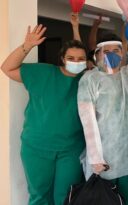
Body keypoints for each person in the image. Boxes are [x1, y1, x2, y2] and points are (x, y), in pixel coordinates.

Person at [77, 4, 128, 205]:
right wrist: (95, 157)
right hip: (104, 159)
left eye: (116, 50)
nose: (112, 54)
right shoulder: (90, 79)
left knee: (126, 198)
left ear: (122, 54)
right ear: (97, 54)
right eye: (106, 50)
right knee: (104, 200)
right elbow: (88, 120)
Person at [1, 25, 87, 205]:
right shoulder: (42, 72)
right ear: (62, 58)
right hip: (37, 148)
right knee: (39, 196)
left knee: (66, 196)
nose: (76, 62)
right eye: (71, 58)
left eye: (81, 59)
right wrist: (27, 46)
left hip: (71, 150)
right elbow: (7, 68)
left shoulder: (88, 81)